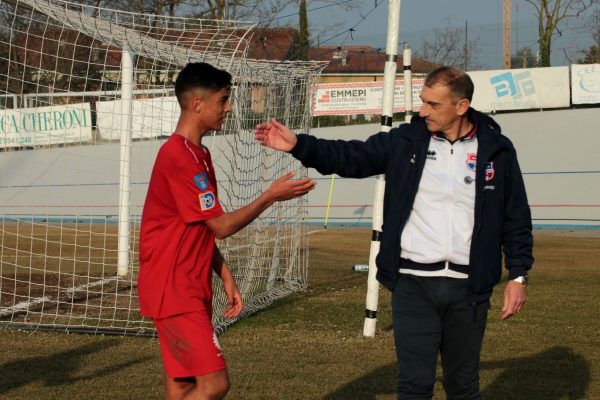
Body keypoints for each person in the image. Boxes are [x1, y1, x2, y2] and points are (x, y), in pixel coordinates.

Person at [254, 66, 533, 399]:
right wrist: (300, 145)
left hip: (469, 289)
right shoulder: (406, 142)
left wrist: (518, 276)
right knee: (415, 385)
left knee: (463, 384)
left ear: (461, 107)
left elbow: (514, 214)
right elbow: (351, 157)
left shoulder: (497, 150)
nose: (422, 110)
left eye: (433, 104)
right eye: (423, 101)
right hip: (412, 283)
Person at [138, 62, 315, 400]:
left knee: (183, 385)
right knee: (215, 384)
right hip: (173, 289)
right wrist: (270, 196)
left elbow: (200, 229)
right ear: (197, 104)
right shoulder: (177, 156)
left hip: (188, 284)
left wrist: (225, 275)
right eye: (223, 100)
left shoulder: (199, 153)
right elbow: (220, 227)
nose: (229, 107)